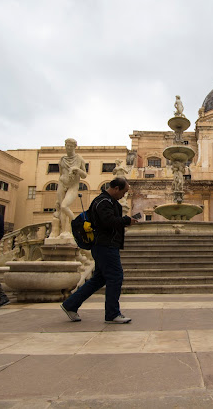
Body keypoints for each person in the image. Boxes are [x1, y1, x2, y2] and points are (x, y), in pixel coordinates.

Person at [61, 177, 137, 323]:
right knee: (115, 276)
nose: (124, 195)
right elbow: (108, 222)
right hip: (104, 245)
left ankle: (70, 305)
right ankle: (112, 314)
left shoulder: (108, 201)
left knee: (98, 279)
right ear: (116, 189)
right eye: (124, 192)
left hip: (105, 245)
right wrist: (127, 221)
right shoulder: (103, 202)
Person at [53, 138, 87, 237]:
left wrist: (77, 169)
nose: (68, 148)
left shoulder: (79, 159)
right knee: (62, 209)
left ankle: (77, 225)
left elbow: (84, 175)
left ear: (74, 147)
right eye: (67, 146)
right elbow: (61, 173)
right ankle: (64, 232)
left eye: (71, 146)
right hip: (62, 183)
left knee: (64, 206)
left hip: (73, 186)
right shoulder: (62, 159)